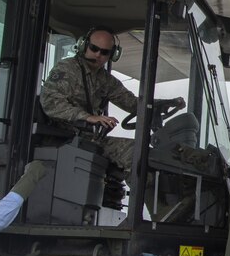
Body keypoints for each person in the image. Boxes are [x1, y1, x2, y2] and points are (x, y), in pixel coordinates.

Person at [40, 27, 183, 171]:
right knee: (133, 153)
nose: (97, 55)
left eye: (104, 52)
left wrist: (162, 104)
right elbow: (50, 102)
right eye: (94, 48)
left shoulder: (106, 80)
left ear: (113, 54)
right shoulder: (67, 69)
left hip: (89, 139)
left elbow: (132, 103)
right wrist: (88, 117)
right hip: (63, 138)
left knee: (142, 153)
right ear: (84, 45)